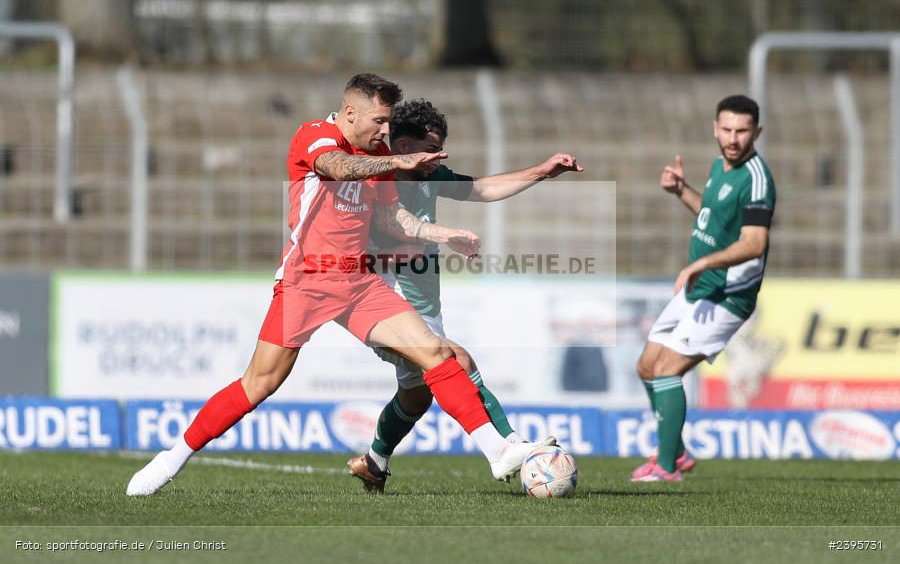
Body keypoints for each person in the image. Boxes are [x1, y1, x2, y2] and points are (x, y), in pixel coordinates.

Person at [126, 74, 554, 496]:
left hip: (359, 281)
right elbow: (337, 166)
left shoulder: (381, 155)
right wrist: (396, 161)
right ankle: (172, 457)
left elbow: (392, 218)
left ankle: (498, 451)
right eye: (379, 122)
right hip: (307, 279)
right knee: (259, 384)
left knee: (438, 352)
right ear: (350, 113)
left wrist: (443, 234)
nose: (386, 131)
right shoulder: (315, 135)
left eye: (389, 124)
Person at [347, 98, 581, 492]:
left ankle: (374, 462)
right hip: (381, 305)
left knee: (415, 397)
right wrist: (436, 237)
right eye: (432, 147)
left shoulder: (430, 176)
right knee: (457, 358)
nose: (439, 157)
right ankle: (507, 445)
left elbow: (483, 188)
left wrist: (542, 171)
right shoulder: (374, 184)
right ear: (402, 146)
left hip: (424, 309)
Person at [630, 95, 776, 482]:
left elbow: (754, 242)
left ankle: (665, 467)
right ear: (715, 128)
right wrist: (682, 191)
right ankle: (675, 452)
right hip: (698, 288)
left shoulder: (757, 179)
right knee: (647, 367)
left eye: (742, 130)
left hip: (728, 296)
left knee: (667, 370)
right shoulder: (719, 166)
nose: (733, 137)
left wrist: (701, 262)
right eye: (726, 129)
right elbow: (712, 216)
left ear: (756, 132)